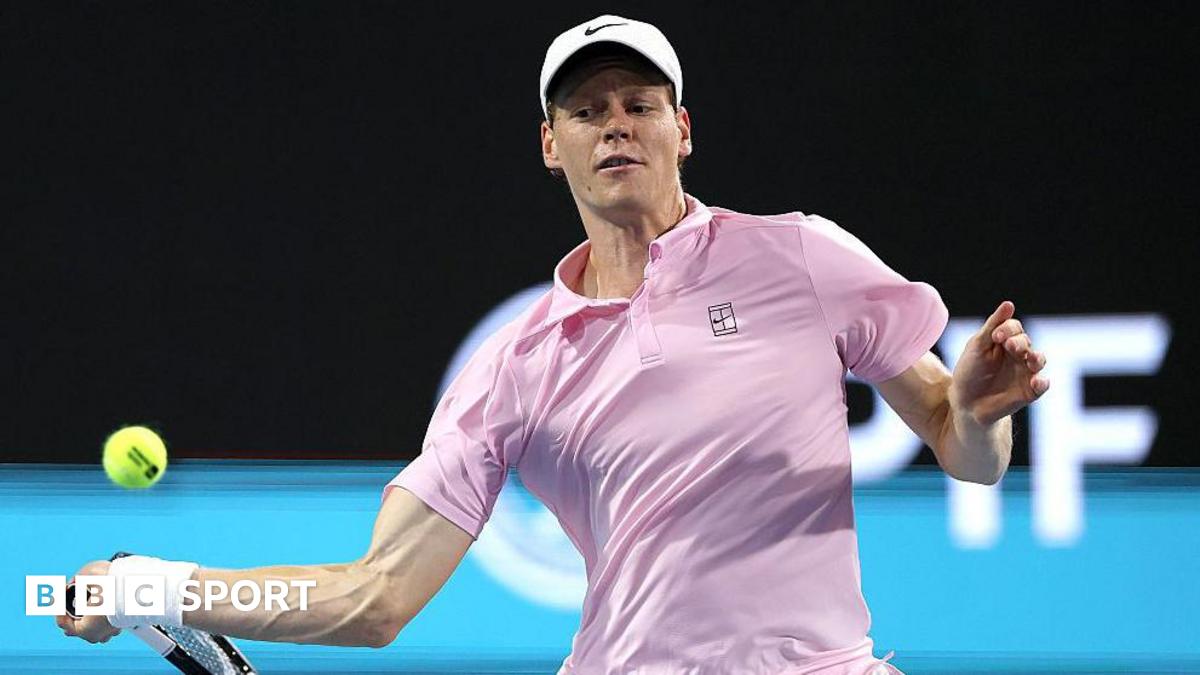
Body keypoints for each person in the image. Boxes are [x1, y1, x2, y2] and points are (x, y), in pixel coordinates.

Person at [58, 14, 1050, 675]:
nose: (615, 126)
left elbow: (970, 460)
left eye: (638, 106)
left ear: (682, 129)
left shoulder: (801, 258)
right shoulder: (516, 367)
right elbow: (376, 600)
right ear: (551, 144)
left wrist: (974, 412)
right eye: (586, 111)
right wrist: (153, 584)